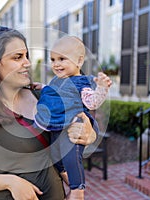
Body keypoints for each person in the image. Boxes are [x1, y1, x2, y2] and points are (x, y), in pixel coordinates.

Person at [0, 27, 99, 200]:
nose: (27, 63)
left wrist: (89, 133)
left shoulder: (44, 97)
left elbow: (76, 123)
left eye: (26, 56)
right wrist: (11, 182)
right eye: (17, 57)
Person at [34, 36, 112, 199]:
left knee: (71, 156)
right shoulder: (56, 80)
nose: (56, 64)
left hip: (75, 123)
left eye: (62, 58)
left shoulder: (81, 83)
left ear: (79, 61)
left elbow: (92, 102)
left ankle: (77, 190)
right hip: (58, 125)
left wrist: (102, 89)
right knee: (55, 155)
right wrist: (42, 87)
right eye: (53, 59)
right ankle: (67, 178)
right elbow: (53, 93)